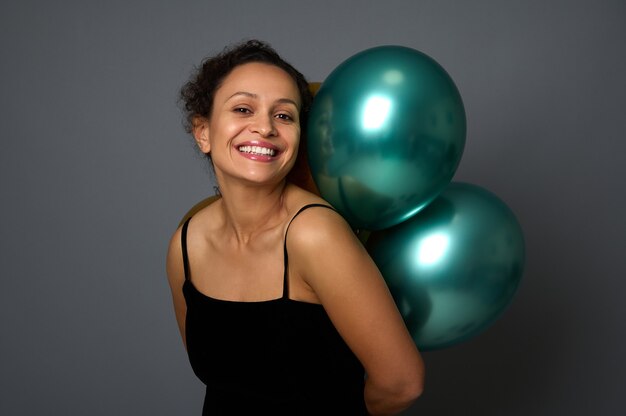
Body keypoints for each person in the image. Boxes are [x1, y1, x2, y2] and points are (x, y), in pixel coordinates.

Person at [166, 39, 424, 415]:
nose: (265, 127)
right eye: (243, 108)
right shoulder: (186, 245)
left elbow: (402, 384)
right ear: (203, 132)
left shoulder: (315, 234)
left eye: (284, 115)